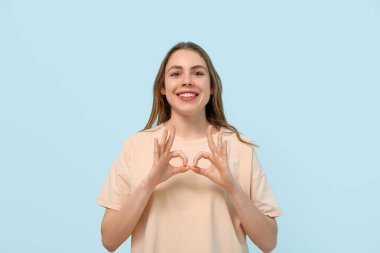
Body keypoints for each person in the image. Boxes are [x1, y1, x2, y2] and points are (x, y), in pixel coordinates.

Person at [96, 42, 282, 253]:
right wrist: (149, 183)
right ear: (163, 88)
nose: (187, 81)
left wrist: (232, 187)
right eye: (176, 74)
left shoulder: (240, 148)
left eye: (198, 73)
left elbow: (269, 242)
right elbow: (109, 240)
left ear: (212, 87)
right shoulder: (136, 146)